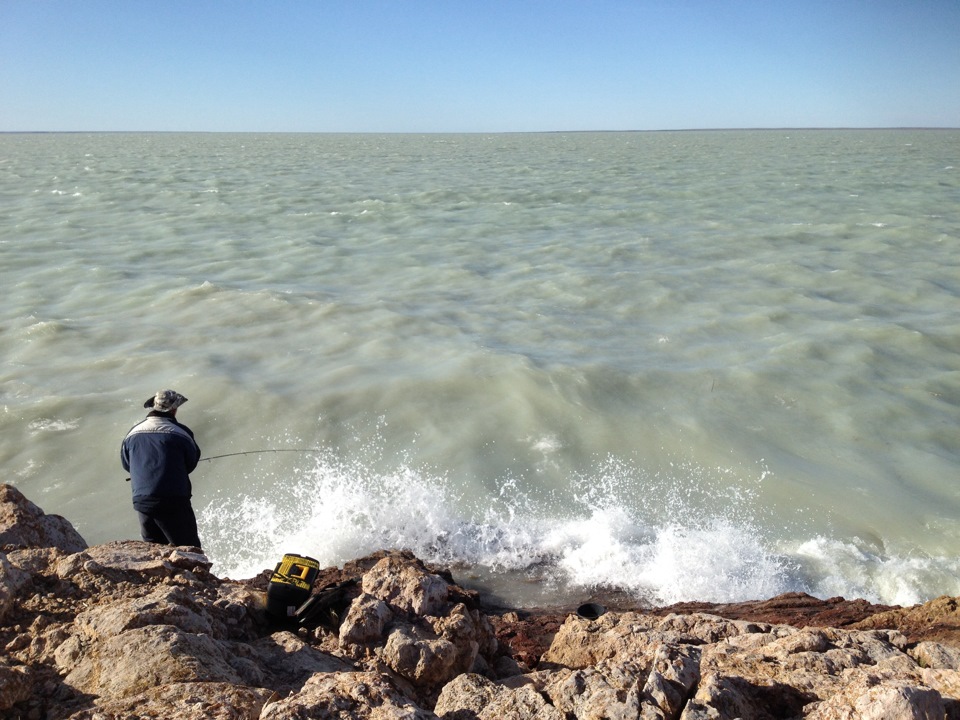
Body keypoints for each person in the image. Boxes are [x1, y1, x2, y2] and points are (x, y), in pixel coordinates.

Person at [121, 389, 203, 548]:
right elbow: (191, 462)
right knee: (189, 549)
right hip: (173, 500)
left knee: (155, 550)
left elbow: (126, 464)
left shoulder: (132, 433)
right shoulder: (181, 432)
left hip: (142, 501)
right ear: (173, 409)